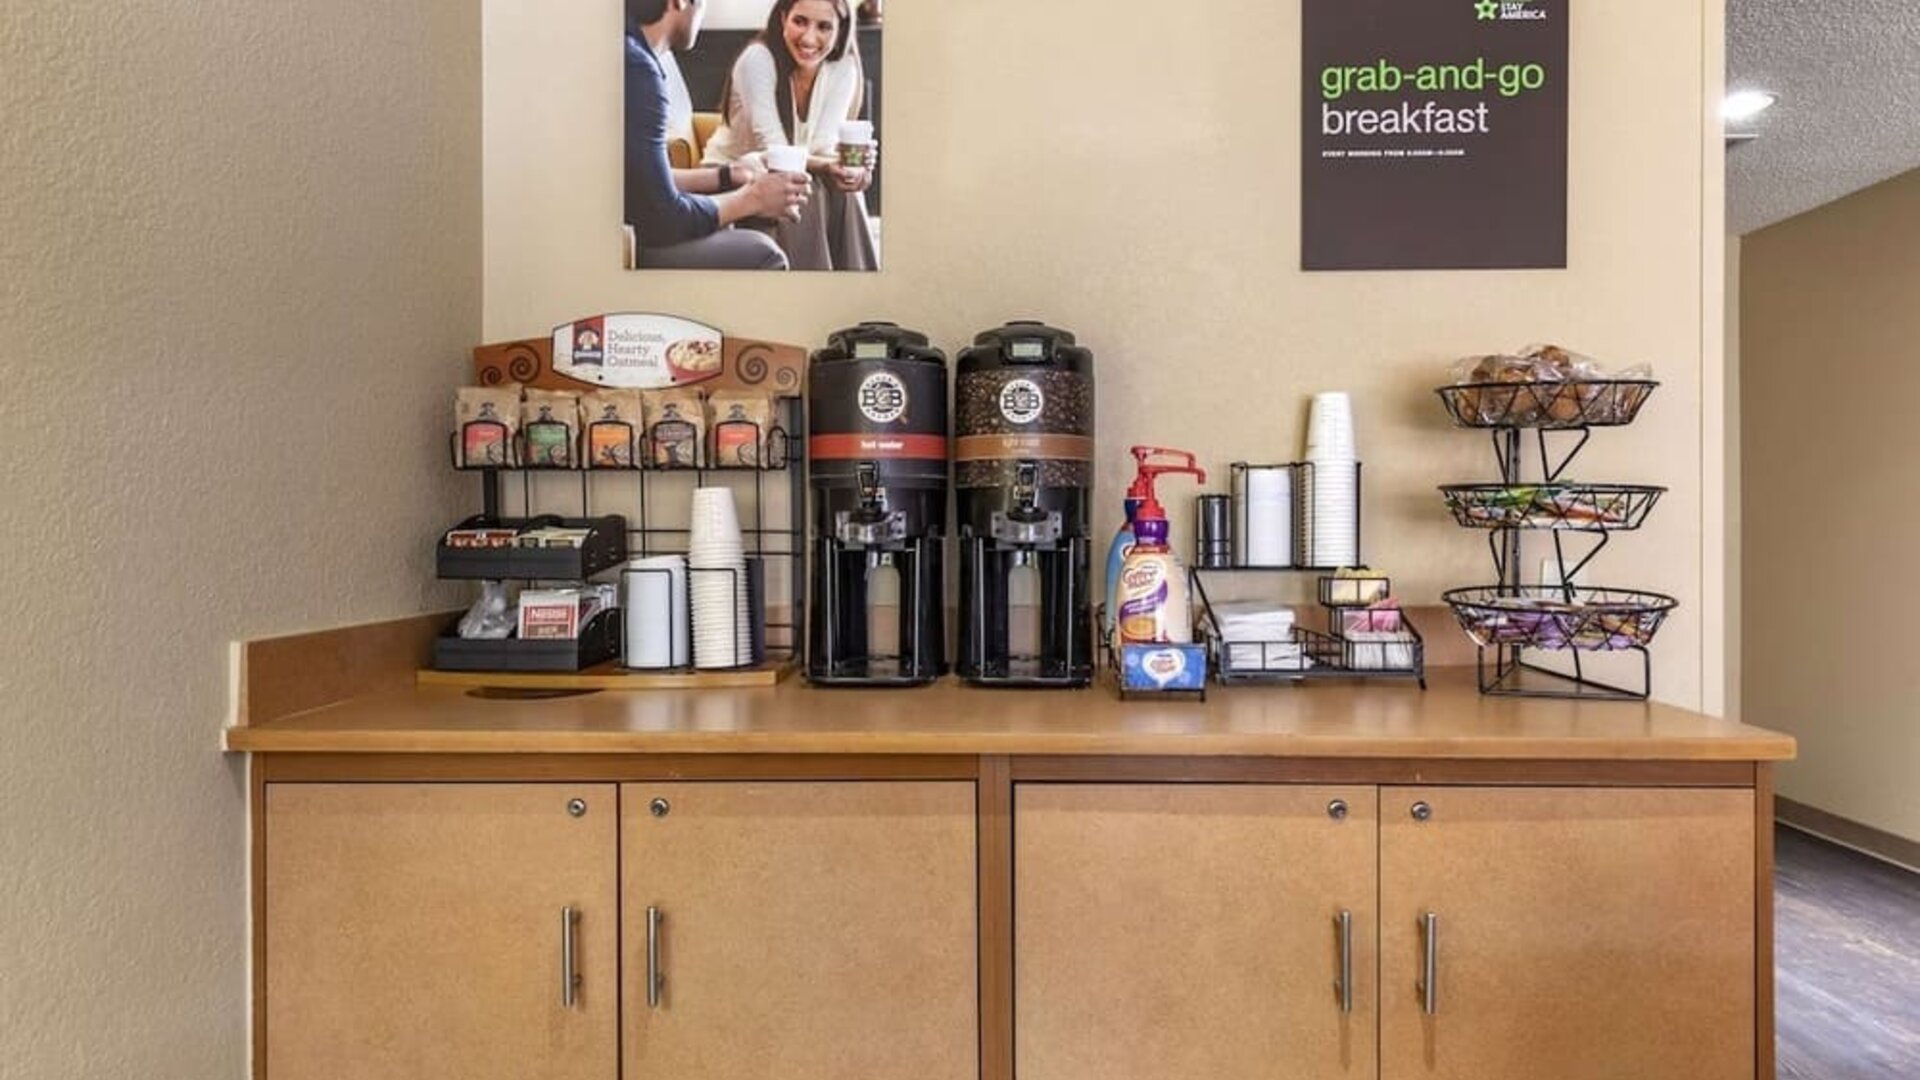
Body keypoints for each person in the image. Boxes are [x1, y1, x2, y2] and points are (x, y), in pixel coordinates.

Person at [625, 0, 811, 269]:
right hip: (623, 239)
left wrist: (727, 174)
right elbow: (662, 218)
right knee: (761, 251)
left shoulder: (630, 51)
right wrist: (753, 198)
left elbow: (641, 182)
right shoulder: (637, 69)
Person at [701, 0, 879, 271]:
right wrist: (830, 165)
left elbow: (823, 146)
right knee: (803, 186)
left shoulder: (843, 69)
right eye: (800, 21)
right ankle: (809, 294)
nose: (809, 38)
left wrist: (853, 170)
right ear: (783, 18)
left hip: (792, 176)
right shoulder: (757, 60)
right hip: (735, 175)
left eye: (824, 27)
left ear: (840, 31)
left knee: (846, 191)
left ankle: (861, 289)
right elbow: (774, 150)